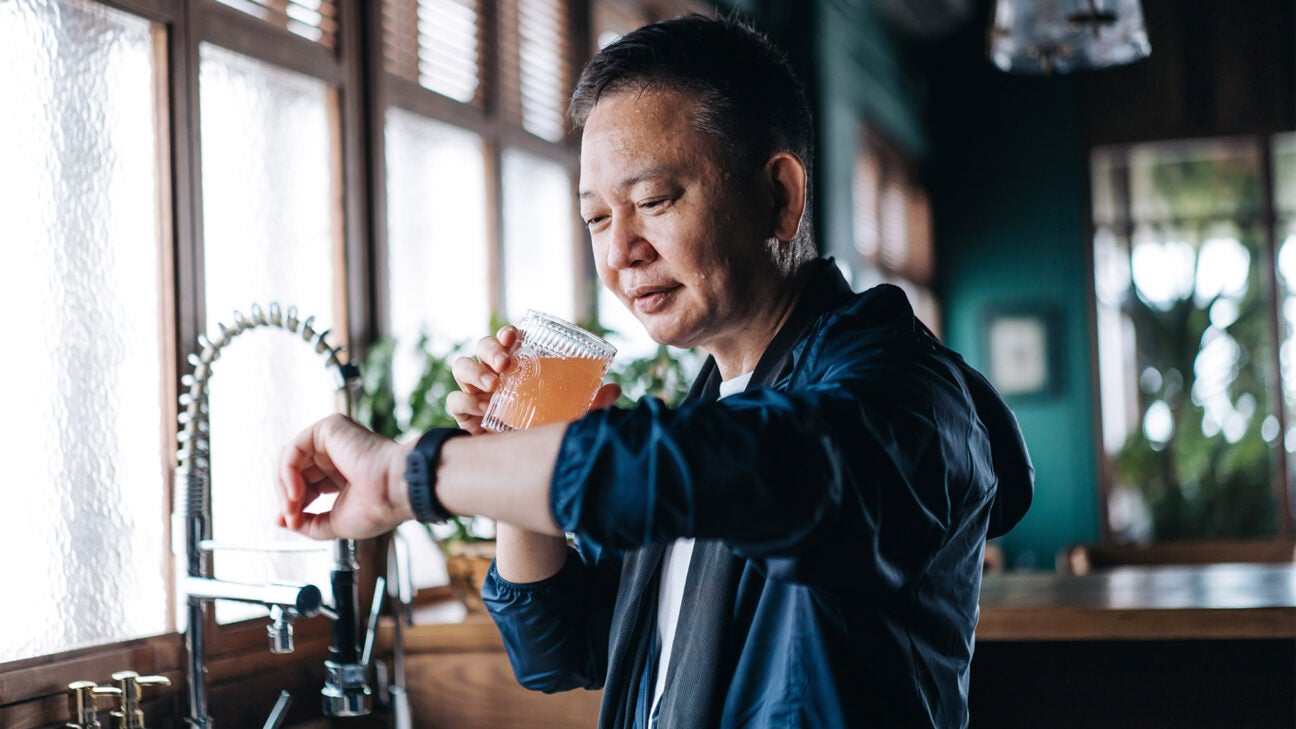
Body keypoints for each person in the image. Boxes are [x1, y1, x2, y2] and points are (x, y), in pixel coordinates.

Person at [276, 15, 1033, 729]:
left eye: (653, 200)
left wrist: (405, 475)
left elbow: (742, 465)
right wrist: (515, 455)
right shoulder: (706, 399)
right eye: (598, 218)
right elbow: (561, 650)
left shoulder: (903, 395)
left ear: (780, 196)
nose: (620, 252)